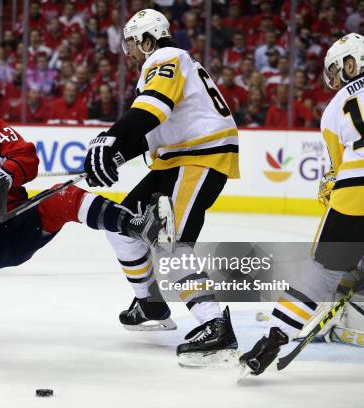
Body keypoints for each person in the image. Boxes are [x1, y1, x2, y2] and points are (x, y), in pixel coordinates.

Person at [0, 95, 174, 302]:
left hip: (19, 218)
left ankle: (140, 226)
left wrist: (1, 177)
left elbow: (26, 158)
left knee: (65, 196)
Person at [83, 9, 240, 366]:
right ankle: (150, 303)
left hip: (199, 158)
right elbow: (154, 128)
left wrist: (109, 141)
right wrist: (114, 157)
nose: (129, 53)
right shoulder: (167, 66)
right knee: (121, 225)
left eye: (132, 44)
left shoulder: (166, 57)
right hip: (176, 159)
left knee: (171, 243)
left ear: (148, 39)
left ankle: (215, 325)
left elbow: (151, 111)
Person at [240, 33, 364, 376]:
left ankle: (275, 337)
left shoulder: (333, 108)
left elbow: (337, 170)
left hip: (359, 193)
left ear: (350, 64)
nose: (333, 78)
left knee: (322, 269)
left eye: (335, 69)